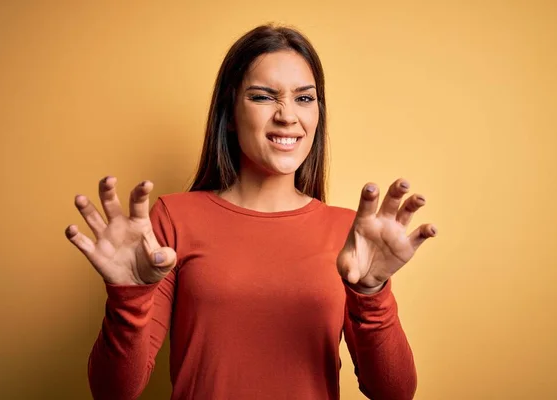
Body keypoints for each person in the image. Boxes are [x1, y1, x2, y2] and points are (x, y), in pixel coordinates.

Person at [66, 24, 437, 400]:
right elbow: (114, 392)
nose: (287, 116)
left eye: (304, 99)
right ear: (228, 114)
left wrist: (372, 294)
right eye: (263, 97)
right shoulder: (172, 219)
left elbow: (395, 393)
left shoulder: (349, 233)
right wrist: (128, 296)